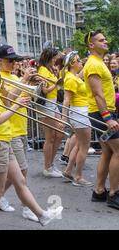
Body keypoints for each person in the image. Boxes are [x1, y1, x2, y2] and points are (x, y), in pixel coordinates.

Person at [0, 56, 63, 229]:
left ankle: (42, 215)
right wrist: (16, 105)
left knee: (19, 180)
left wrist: (19, 93)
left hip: (4, 140)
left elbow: (6, 100)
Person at [0, 44, 40, 222]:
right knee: (22, 171)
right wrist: (23, 81)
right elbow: (5, 101)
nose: (14, 63)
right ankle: (27, 207)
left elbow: (31, 98)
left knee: (15, 173)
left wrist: (31, 84)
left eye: (15, 60)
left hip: (21, 128)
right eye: (10, 61)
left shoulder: (14, 75)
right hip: (9, 130)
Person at [83, 31, 119, 209]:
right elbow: (97, 93)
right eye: (101, 40)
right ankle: (114, 193)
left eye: (105, 39)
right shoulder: (94, 64)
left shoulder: (98, 63)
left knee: (108, 152)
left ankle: (99, 191)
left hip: (103, 113)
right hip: (101, 114)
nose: (105, 42)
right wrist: (108, 118)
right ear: (91, 45)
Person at [60, 52, 93, 187]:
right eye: (79, 61)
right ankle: (78, 176)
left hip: (80, 113)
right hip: (80, 113)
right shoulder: (71, 79)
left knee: (79, 144)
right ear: (73, 64)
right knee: (84, 147)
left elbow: (79, 76)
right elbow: (66, 100)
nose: (81, 63)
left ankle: (68, 171)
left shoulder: (73, 76)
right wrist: (63, 119)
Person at [37, 48, 64, 178]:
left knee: (59, 132)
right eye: (54, 57)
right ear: (49, 57)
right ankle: (47, 167)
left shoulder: (49, 69)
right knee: (50, 137)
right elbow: (45, 90)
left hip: (52, 103)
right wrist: (57, 84)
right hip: (47, 103)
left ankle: (51, 163)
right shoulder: (42, 70)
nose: (55, 59)